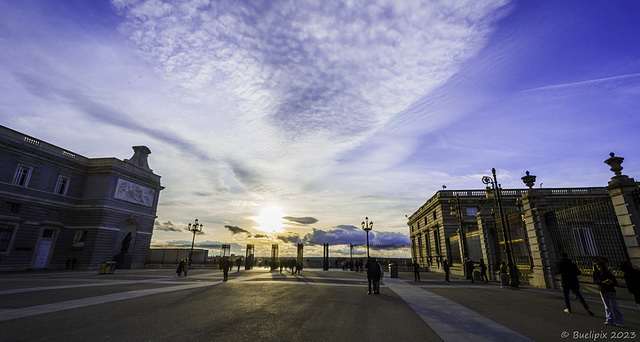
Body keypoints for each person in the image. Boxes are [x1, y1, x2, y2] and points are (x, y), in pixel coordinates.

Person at [594, 261, 623, 327]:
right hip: (603, 290)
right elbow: (595, 280)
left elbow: (614, 282)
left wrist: (606, 282)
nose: (599, 268)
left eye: (600, 267)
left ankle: (619, 321)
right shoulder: (596, 273)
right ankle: (609, 319)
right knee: (607, 306)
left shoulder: (608, 273)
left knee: (614, 306)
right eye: (598, 267)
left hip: (610, 290)